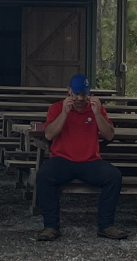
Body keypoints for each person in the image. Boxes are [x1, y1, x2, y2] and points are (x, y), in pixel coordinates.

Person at [36, 75, 128, 241]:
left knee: (114, 176)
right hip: (62, 160)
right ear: (68, 91)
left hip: (90, 161)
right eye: (76, 94)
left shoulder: (95, 108)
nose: (80, 99)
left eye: (84, 95)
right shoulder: (56, 108)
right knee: (44, 174)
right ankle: (51, 226)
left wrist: (98, 114)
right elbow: (49, 135)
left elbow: (109, 136)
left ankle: (106, 225)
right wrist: (64, 113)